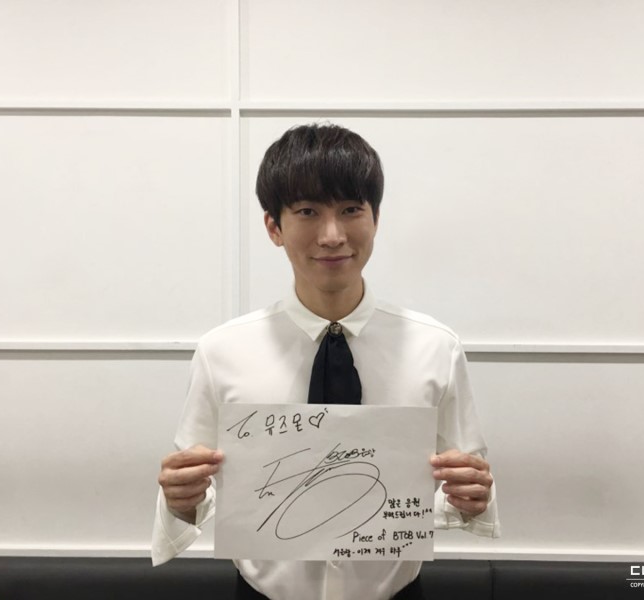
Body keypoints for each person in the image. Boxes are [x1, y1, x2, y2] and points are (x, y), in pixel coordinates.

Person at [152, 123, 499, 599]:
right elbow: (196, 486)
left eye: (351, 209)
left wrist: (471, 497)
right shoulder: (222, 351)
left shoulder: (435, 347)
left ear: (376, 218)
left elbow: (462, 481)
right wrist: (180, 498)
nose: (333, 235)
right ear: (274, 227)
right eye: (308, 212)